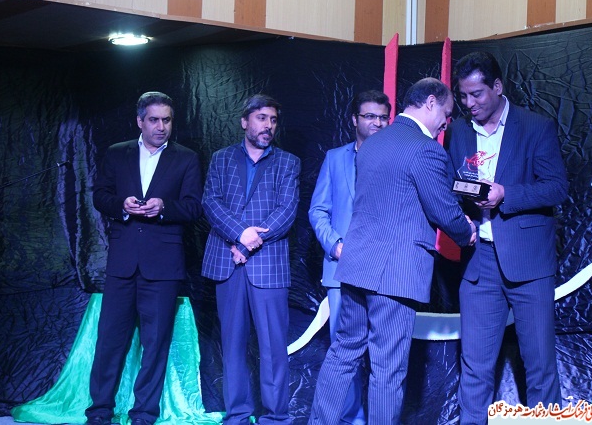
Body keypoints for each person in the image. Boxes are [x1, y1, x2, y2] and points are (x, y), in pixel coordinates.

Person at [309, 78, 477, 425]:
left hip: (356, 266)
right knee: (387, 368)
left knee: (343, 354)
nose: (446, 123)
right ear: (430, 102)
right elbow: (443, 210)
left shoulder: (372, 144)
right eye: (446, 114)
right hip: (395, 273)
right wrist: (467, 232)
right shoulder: (425, 149)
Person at [445, 51, 568, 424]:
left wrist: (505, 195)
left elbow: (557, 188)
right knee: (475, 367)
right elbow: (452, 183)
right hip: (479, 263)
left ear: (497, 87)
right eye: (463, 96)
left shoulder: (535, 127)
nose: (469, 103)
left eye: (477, 94)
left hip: (529, 262)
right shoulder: (460, 131)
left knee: (540, 366)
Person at [86, 91, 204, 425]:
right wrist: (121, 206)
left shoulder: (186, 158)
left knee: (155, 345)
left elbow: (194, 206)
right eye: (154, 120)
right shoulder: (117, 153)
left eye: (167, 120)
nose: (161, 127)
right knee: (110, 341)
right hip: (122, 263)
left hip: (163, 265)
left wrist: (164, 207)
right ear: (140, 121)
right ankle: (99, 412)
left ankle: (143, 415)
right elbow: (100, 196)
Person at [201, 94, 300, 425]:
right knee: (232, 346)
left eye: (273, 120)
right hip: (227, 264)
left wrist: (246, 245)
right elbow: (211, 202)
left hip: (268, 265)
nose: (268, 125)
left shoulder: (288, 162)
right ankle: (238, 416)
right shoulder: (221, 158)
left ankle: (276, 418)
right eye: (261, 118)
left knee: (273, 348)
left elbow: (286, 211)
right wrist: (239, 234)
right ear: (245, 121)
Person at [308, 89, 391, 424]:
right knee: (344, 353)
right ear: (355, 120)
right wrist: (336, 245)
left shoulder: (396, 159)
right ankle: (351, 419)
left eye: (383, 117)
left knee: (384, 357)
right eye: (370, 116)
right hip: (342, 268)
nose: (377, 123)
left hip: (385, 271)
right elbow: (318, 210)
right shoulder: (335, 158)